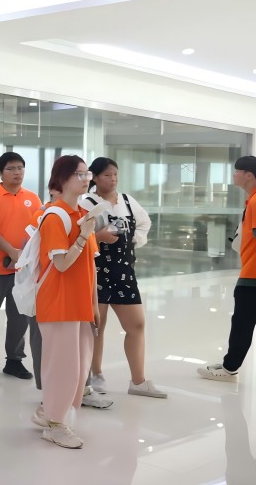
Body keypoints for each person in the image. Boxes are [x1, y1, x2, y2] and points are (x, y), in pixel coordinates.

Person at [198, 155, 256, 393]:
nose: (234, 174)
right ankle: (229, 366)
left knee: (242, 326)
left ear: (249, 175)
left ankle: (229, 370)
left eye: (237, 171)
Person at [80, 157, 165, 399]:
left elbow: (144, 223)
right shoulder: (87, 203)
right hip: (96, 270)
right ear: (95, 178)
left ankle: (138, 381)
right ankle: (95, 373)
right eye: (107, 175)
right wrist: (99, 236)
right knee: (97, 326)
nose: (113, 179)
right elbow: (79, 237)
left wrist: (132, 241)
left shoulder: (127, 201)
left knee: (137, 324)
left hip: (124, 270)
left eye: (115, 174)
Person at [31, 155, 99, 449]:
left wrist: (93, 304)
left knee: (79, 368)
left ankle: (48, 412)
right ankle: (56, 425)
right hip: (58, 301)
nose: (86, 179)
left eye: (87, 174)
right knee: (63, 367)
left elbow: (90, 265)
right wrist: (82, 236)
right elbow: (61, 264)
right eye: (79, 174)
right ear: (62, 179)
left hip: (79, 302)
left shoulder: (82, 213)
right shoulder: (55, 216)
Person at [0, 151, 42, 381]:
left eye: (20, 168)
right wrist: (11, 251)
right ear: (1, 173)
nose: (17, 172)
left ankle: (14, 360)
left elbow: (38, 230)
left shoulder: (33, 198)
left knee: (20, 316)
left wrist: (27, 257)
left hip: (23, 269)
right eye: (11, 168)